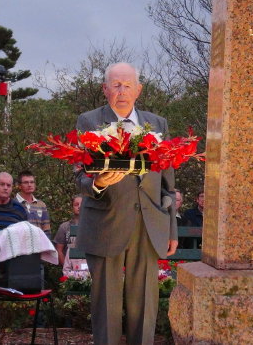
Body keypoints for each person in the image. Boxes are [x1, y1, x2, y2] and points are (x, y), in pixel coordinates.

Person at [75, 62, 177, 345]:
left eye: (128, 85)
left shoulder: (157, 124)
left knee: (144, 305)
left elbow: (168, 183)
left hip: (149, 225)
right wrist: (99, 183)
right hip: (105, 223)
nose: (122, 91)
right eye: (116, 85)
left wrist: (171, 230)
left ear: (139, 89)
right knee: (105, 304)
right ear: (104, 89)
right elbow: (79, 176)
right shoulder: (89, 122)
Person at [53, 196, 88, 278]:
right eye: (76, 204)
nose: (79, 206)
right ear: (72, 207)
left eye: (82, 204)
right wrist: (67, 268)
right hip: (71, 271)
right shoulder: (64, 227)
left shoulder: (93, 226)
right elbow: (59, 250)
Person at [15, 170, 52, 237]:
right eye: (26, 182)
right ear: (19, 186)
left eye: (32, 182)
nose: (29, 185)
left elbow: (46, 230)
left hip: (39, 245)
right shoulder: (13, 204)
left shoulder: (41, 205)